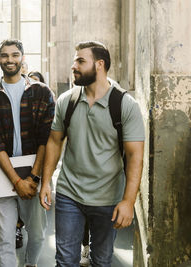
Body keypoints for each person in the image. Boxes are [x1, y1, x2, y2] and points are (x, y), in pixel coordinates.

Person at [40, 41, 145, 266]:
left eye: (80, 61)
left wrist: (128, 201)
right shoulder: (67, 100)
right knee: (65, 260)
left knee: (101, 260)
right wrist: (46, 181)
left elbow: (135, 156)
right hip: (70, 193)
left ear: (99, 64)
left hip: (108, 197)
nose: (73, 66)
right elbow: (54, 141)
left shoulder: (125, 104)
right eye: (74, 60)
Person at [0, 39, 55, 267]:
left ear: (22, 58)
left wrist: (32, 178)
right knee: (4, 238)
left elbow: (45, 138)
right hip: (2, 173)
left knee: (38, 233)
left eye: (14, 55)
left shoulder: (42, 93)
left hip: (35, 171)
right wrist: (16, 181)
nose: (9, 59)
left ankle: (31, 263)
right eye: (4, 55)